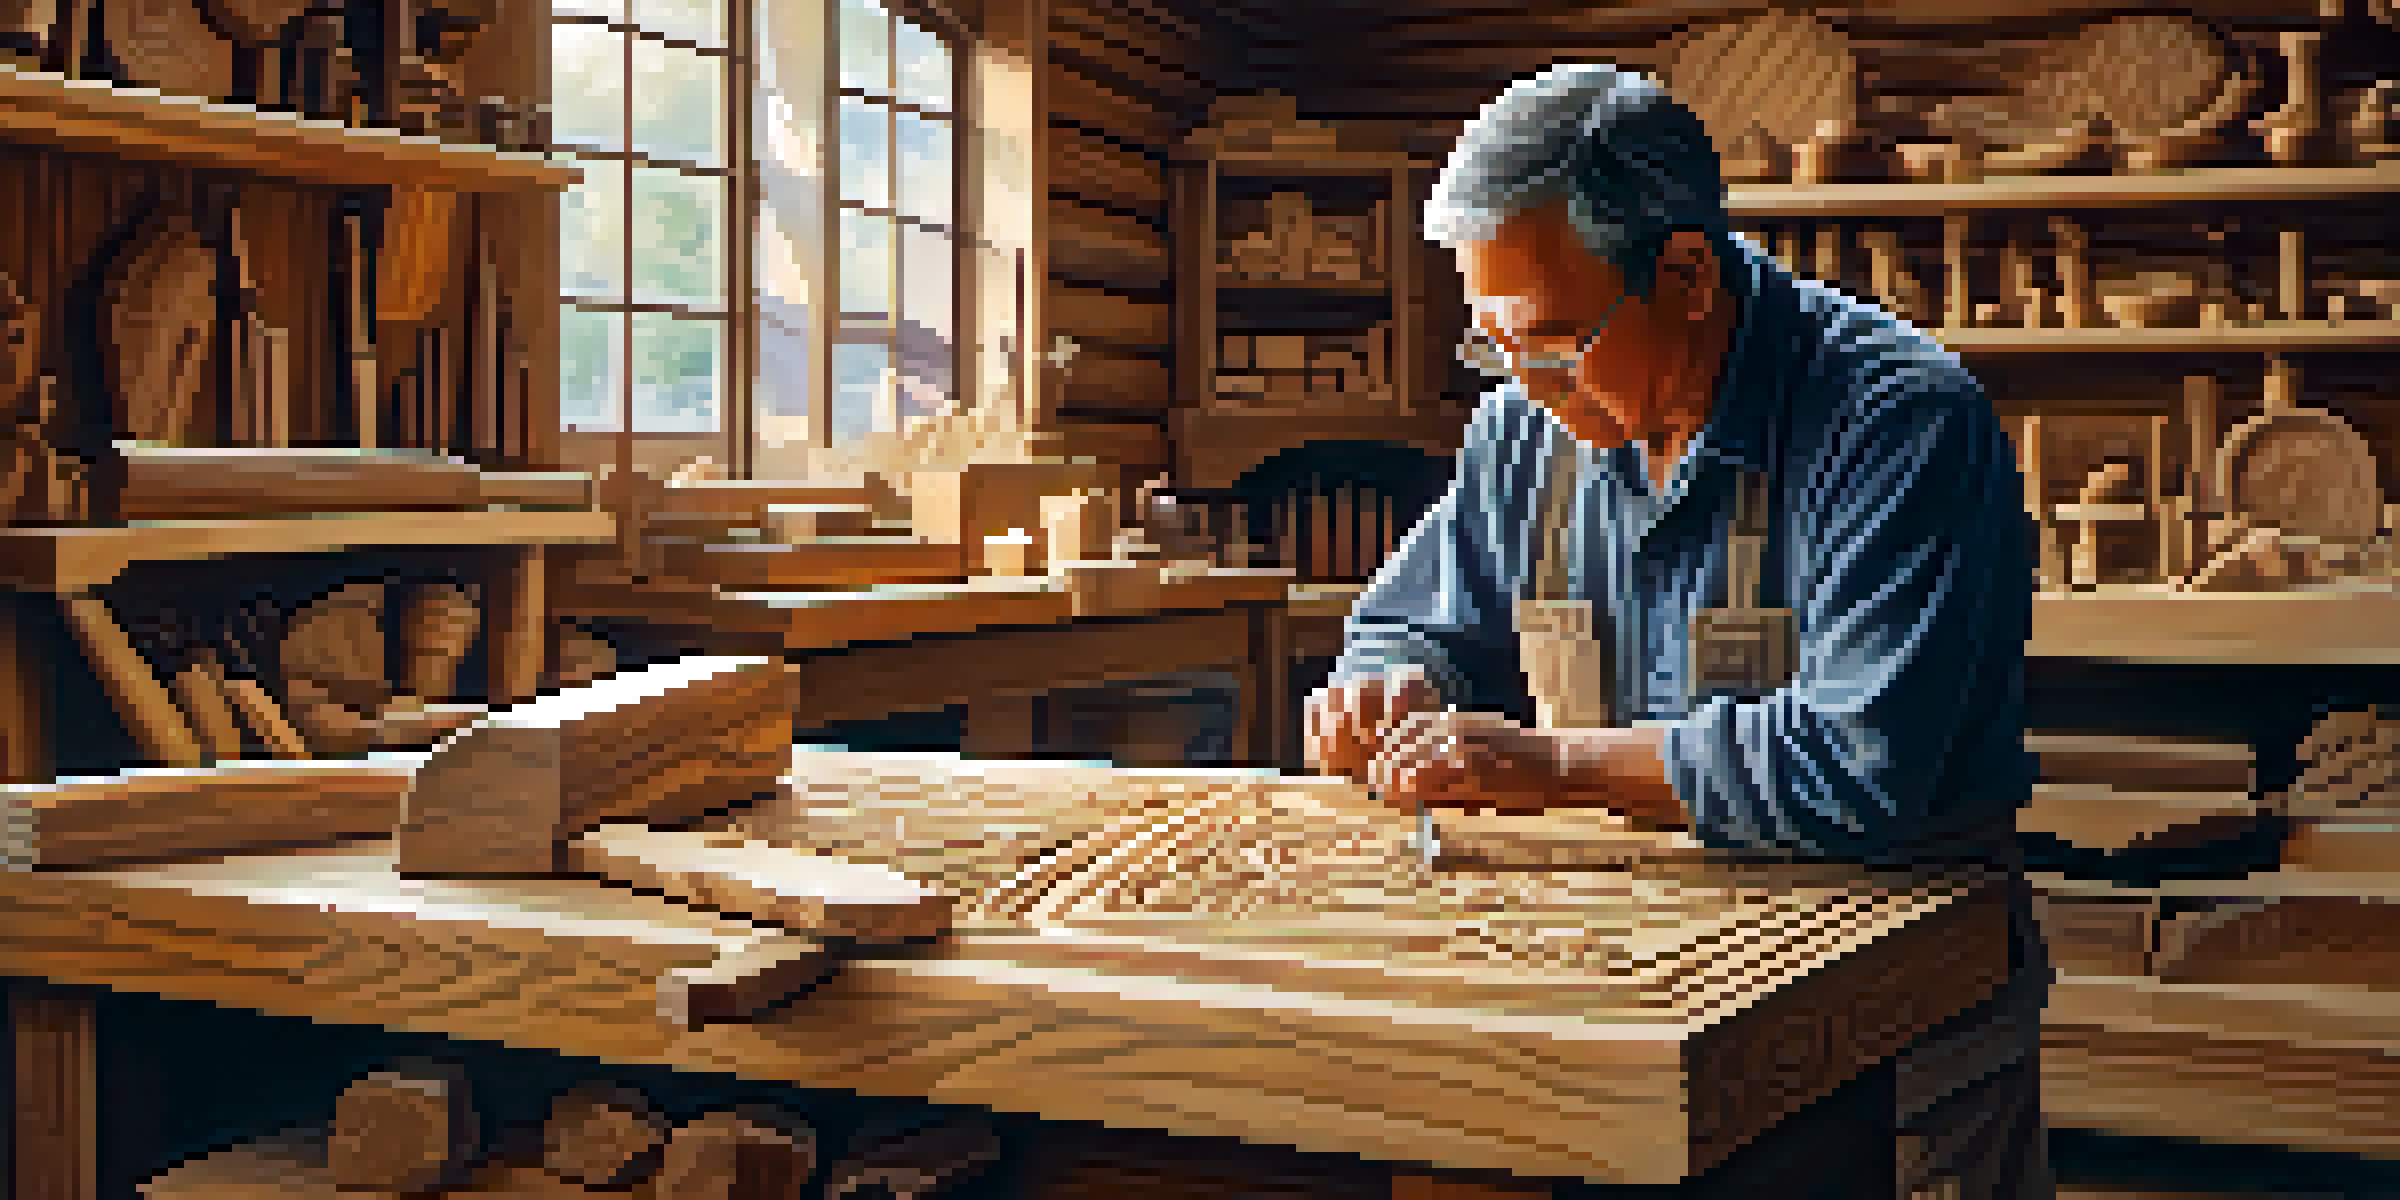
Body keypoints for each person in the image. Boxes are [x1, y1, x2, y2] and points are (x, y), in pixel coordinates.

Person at [1302, 64, 2053, 1199]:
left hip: (1892, 1039)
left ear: (1689, 275)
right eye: (1494, 345)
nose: (1527, 384)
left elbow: (1861, 765)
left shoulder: (1897, 424)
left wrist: (1555, 764)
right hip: (1633, 1005)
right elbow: (1415, 623)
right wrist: (1387, 680)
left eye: (1554, 342)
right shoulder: (1523, 432)